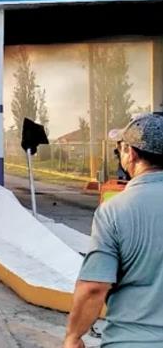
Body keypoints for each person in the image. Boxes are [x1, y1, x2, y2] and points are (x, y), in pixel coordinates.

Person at [65, 113, 163, 348]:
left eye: (121, 149)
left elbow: (94, 288)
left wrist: (73, 336)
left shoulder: (114, 211)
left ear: (131, 152)